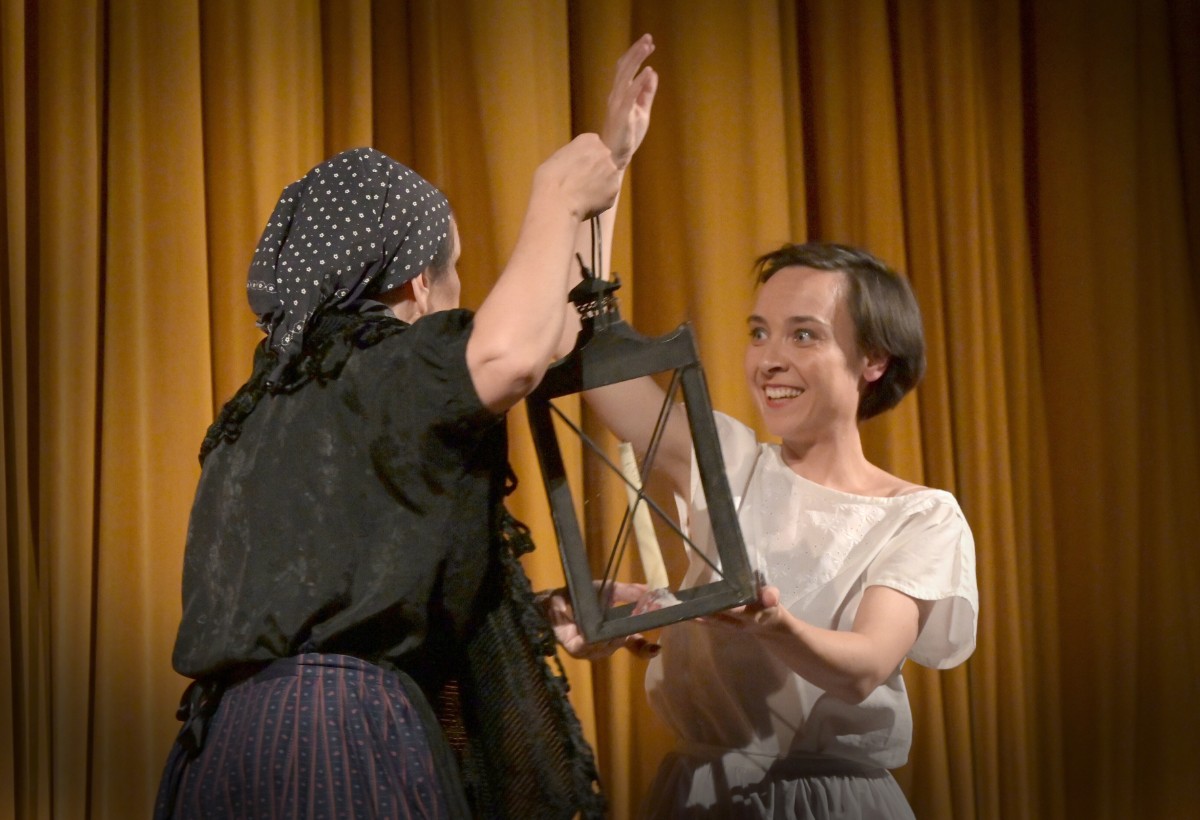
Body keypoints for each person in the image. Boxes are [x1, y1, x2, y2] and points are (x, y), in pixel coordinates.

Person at [154, 35, 659, 820]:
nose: (458, 297)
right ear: (419, 280)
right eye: (453, 269)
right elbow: (519, 351)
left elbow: (350, 595)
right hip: (332, 748)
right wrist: (559, 194)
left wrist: (537, 614)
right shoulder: (389, 365)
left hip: (223, 755)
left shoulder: (272, 406)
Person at [576, 242, 979, 818]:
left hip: (832, 802)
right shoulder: (728, 461)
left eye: (804, 335)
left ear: (873, 359)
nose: (769, 360)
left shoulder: (919, 514)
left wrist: (772, 624)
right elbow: (601, 372)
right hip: (699, 794)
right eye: (759, 333)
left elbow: (865, 666)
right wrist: (590, 204)